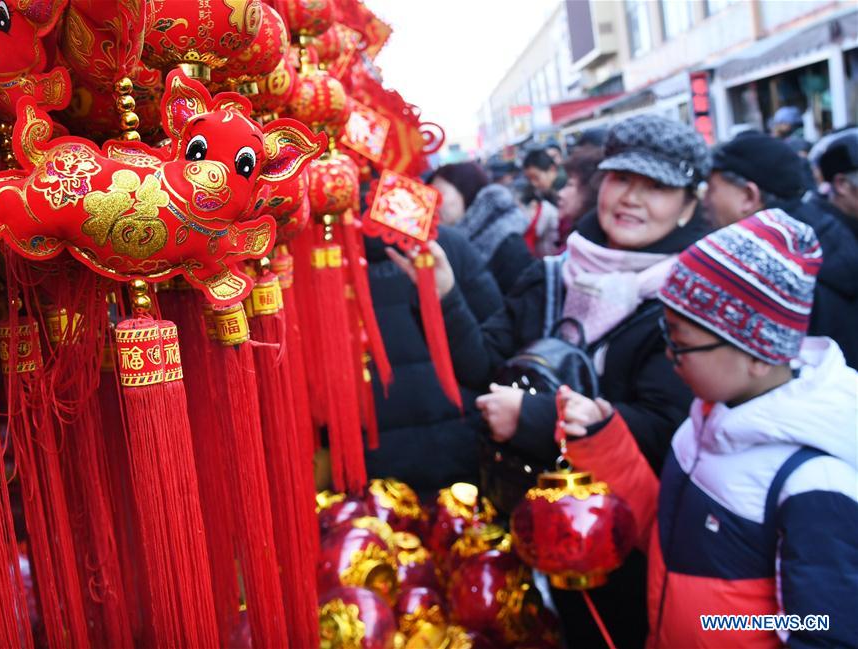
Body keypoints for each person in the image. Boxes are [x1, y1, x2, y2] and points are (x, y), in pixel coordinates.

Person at [390, 114, 712, 649]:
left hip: (627, 540)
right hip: (525, 517)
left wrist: (536, 419)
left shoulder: (691, 298)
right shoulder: (551, 274)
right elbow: (486, 366)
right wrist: (444, 295)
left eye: (657, 187)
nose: (633, 199)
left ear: (688, 204)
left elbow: (669, 428)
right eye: (622, 180)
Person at [560, 209, 858, 649]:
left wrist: (716, 626)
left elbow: (823, 628)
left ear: (757, 353)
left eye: (680, 342)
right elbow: (662, 531)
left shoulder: (812, 479)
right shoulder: (705, 422)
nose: (668, 355)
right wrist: (604, 441)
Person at [364, 226, 503, 500]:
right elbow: (495, 358)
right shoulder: (448, 245)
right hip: (465, 469)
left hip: (373, 479)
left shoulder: (318, 256)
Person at [706, 130, 858, 368]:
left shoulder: (769, 270)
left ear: (748, 196)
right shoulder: (826, 234)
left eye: (712, 188)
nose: (705, 200)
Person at [428, 161, 535, 294]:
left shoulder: (506, 241)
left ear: (467, 191)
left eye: (439, 194)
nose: (433, 204)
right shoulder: (448, 245)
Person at [551, 148, 604, 252]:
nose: (560, 194)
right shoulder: (568, 230)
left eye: (569, 185)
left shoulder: (588, 248)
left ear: (590, 191)